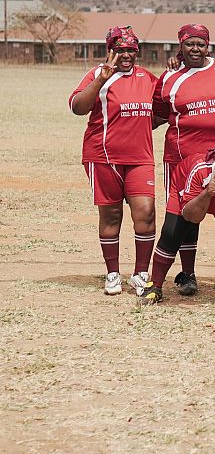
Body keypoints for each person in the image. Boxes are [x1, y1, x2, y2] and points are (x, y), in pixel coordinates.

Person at [153, 23, 215, 296]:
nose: (196, 48)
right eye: (190, 43)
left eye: (200, 44)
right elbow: (159, 113)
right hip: (182, 158)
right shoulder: (170, 77)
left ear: (208, 45)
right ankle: (188, 274)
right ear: (181, 45)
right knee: (186, 216)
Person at [69, 26, 157, 296]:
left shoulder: (147, 78)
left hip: (140, 158)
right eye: (120, 50)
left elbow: (162, 110)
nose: (126, 55)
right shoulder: (98, 74)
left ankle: (141, 274)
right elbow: (77, 107)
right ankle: (112, 274)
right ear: (110, 51)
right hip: (103, 157)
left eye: (131, 50)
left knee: (146, 212)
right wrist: (100, 80)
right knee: (111, 214)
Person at [140, 137, 215, 309]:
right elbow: (192, 217)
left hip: (213, 195)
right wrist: (207, 194)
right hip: (189, 195)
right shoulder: (200, 170)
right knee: (172, 233)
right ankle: (155, 286)